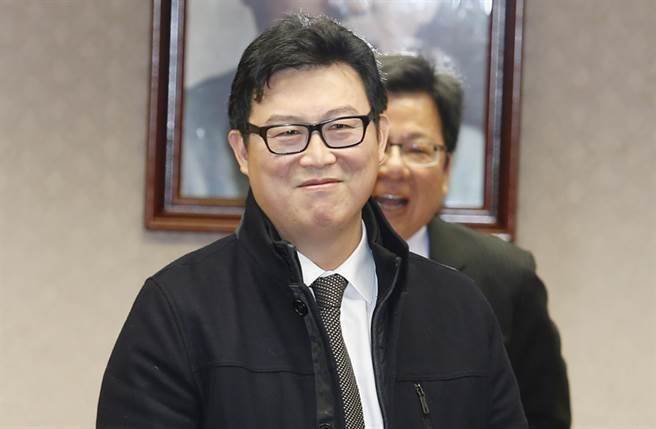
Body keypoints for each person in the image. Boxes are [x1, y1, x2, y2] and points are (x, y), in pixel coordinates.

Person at [97, 15, 527, 428]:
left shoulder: (460, 309)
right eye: (287, 133)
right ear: (242, 152)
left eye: (341, 127)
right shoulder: (177, 312)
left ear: (379, 137)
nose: (318, 156)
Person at [374, 53, 571, 429]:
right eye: (380, 145)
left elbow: (544, 418)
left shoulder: (506, 278)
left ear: (446, 170)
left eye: (417, 149)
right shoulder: (306, 266)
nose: (394, 167)